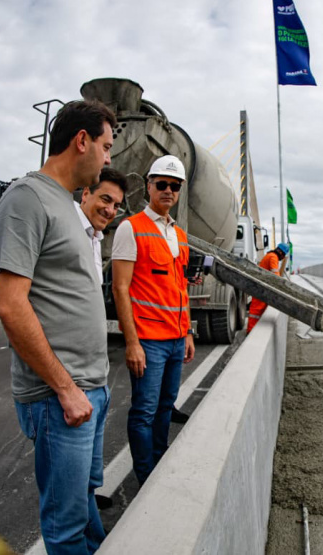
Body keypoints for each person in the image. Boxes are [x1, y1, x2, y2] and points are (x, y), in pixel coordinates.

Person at [0, 99, 115, 555]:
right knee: (64, 528)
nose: (107, 159)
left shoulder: (68, 207)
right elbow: (9, 304)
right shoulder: (27, 199)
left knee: (83, 511)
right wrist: (65, 388)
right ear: (80, 141)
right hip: (60, 397)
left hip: (89, 390)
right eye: (105, 147)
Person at [112, 154, 196, 485]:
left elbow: (181, 288)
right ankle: (145, 478)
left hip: (176, 340)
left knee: (165, 408)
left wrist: (188, 332)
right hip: (148, 341)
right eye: (161, 184)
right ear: (149, 186)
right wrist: (132, 343)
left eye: (174, 186)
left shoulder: (181, 236)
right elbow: (120, 289)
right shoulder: (130, 228)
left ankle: (159, 465)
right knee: (144, 412)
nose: (168, 191)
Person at [76, 166, 126, 281]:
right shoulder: (62, 225)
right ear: (85, 194)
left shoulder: (95, 238)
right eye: (105, 199)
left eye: (116, 206)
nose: (110, 210)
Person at [246, 242, 290, 332]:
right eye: (283, 255)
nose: (282, 258)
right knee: (256, 310)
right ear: (281, 253)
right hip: (260, 288)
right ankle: (250, 332)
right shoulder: (273, 257)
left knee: (258, 310)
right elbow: (275, 276)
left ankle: (253, 330)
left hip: (261, 287)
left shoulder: (270, 255)